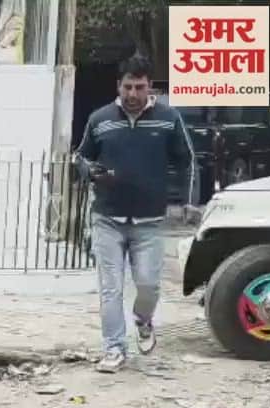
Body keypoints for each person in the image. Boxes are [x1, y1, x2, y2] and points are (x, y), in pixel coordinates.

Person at [75, 54, 196, 373]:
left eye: (139, 87)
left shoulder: (168, 118)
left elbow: (185, 160)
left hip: (149, 222)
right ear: (119, 85)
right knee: (110, 289)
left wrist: (183, 200)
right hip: (107, 219)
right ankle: (114, 348)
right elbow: (81, 158)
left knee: (148, 285)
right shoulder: (100, 119)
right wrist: (94, 173)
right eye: (127, 86)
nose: (132, 94)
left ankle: (143, 321)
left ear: (150, 87)